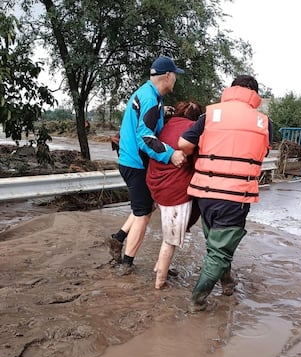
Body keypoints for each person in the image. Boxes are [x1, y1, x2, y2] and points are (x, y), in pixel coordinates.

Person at [178, 75, 272, 310]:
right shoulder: (263, 122)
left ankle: (227, 282)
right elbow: (264, 152)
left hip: (205, 193)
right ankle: (197, 301)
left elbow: (183, 144)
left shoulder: (209, 114)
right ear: (254, 94)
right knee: (219, 251)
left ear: (231, 90)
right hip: (236, 196)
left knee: (216, 244)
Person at [107, 55, 186, 275]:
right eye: (175, 76)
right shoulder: (151, 100)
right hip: (136, 164)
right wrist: (170, 155)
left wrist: (165, 111)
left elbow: (147, 118)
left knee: (146, 206)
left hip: (129, 160)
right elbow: (145, 136)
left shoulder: (148, 94)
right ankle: (126, 263)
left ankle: (118, 238)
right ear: (168, 76)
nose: (175, 81)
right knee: (143, 213)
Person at [146, 100, 203, 289]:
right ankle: (159, 283)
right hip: (175, 191)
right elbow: (197, 162)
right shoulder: (192, 131)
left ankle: (159, 268)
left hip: (156, 186)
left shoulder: (165, 125)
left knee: (169, 232)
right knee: (170, 240)